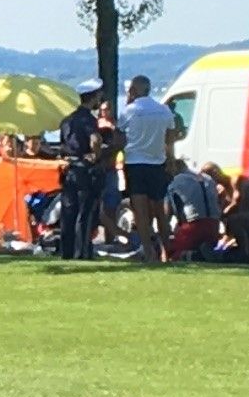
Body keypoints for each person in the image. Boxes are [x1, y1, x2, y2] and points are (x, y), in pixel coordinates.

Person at [115, 75, 180, 260]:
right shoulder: (163, 110)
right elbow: (170, 138)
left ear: (134, 91)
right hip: (157, 163)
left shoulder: (130, 111)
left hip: (135, 163)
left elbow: (119, 138)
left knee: (141, 211)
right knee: (160, 210)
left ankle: (149, 251)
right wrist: (171, 160)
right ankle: (167, 251)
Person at [52, 90, 111, 259]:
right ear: (93, 98)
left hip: (69, 169)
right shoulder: (88, 120)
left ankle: (67, 251)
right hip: (84, 169)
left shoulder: (67, 120)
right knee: (84, 213)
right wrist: (96, 154)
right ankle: (82, 251)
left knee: (68, 212)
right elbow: (96, 140)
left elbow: (63, 145)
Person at [159, 157, 222, 262]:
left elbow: (165, 217)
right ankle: (205, 252)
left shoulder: (174, 182)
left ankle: (191, 255)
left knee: (172, 255)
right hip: (214, 226)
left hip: (192, 228)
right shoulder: (208, 179)